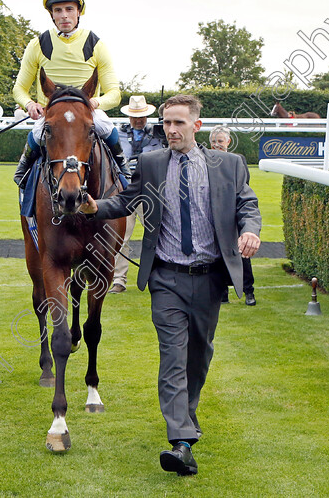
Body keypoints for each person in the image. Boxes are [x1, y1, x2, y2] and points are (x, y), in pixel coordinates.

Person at [79, 94, 261, 476]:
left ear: (197, 125)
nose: (171, 129)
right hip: (165, 277)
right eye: (167, 123)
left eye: (179, 123)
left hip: (210, 278)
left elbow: (247, 204)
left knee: (198, 358)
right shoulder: (151, 163)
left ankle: (186, 419)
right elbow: (127, 200)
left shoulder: (229, 164)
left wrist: (250, 231)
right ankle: (180, 442)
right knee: (173, 358)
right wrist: (96, 206)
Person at [11, 0, 128, 186]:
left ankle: (123, 171)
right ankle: (24, 172)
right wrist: (30, 104)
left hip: (86, 110)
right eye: (58, 10)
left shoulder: (96, 44)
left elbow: (114, 93)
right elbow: (19, 88)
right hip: (53, 112)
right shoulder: (37, 44)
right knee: (38, 132)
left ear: (79, 12)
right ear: (52, 15)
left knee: (106, 127)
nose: (64, 15)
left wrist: (95, 103)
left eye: (69, 9)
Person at [109, 95, 162, 294]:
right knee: (122, 236)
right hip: (126, 189)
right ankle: (119, 280)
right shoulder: (117, 134)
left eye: (142, 116)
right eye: (135, 116)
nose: (138, 120)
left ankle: (158, 275)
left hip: (152, 189)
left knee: (157, 234)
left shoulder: (159, 133)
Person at [209, 125, 256, 305]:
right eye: (214, 142)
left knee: (242, 253)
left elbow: (244, 186)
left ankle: (248, 291)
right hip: (216, 214)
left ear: (228, 142)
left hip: (234, 213)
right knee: (219, 254)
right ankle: (223, 293)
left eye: (220, 141)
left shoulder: (238, 160)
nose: (217, 145)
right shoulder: (207, 160)